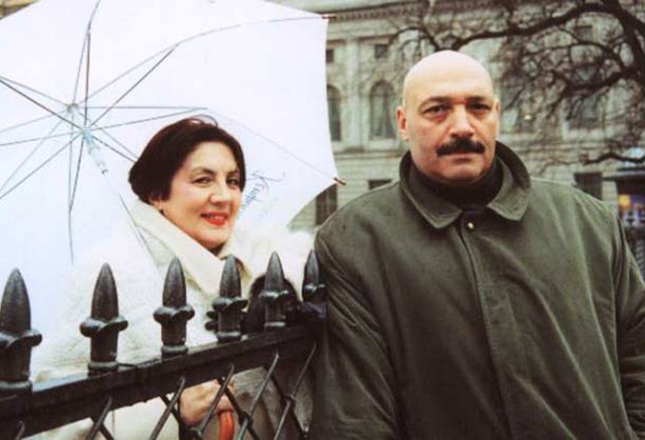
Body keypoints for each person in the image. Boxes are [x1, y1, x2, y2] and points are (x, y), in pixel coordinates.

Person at [310, 50, 645, 439]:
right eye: (437, 110)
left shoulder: (588, 221)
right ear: (402, 122)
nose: (462, 126)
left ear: (496, 114)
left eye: (478, 107)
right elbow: (357, 418)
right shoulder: (354, 241)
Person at [34, 117, 313, 439]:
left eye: (233, 181)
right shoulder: (112, 272)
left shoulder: (257, 248)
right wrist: (171, 410)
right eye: (203, 180)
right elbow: (54, 423)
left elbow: (310, 258)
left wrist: (278, 288)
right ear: (157, 194)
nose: (224, 196)